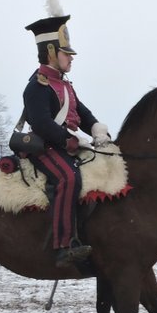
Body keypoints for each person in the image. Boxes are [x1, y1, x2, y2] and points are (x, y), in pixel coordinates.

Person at [22, 14, 109, 267]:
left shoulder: (64, 84)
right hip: (45, 147)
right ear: (50, 52)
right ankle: (63, 245)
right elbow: (41, 124)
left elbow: (80, 112)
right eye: (66, 53)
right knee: (68, 178)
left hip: (66, 144)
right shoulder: (37, 86)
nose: (71, 57)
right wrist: (68, 140)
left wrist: (95, 129)